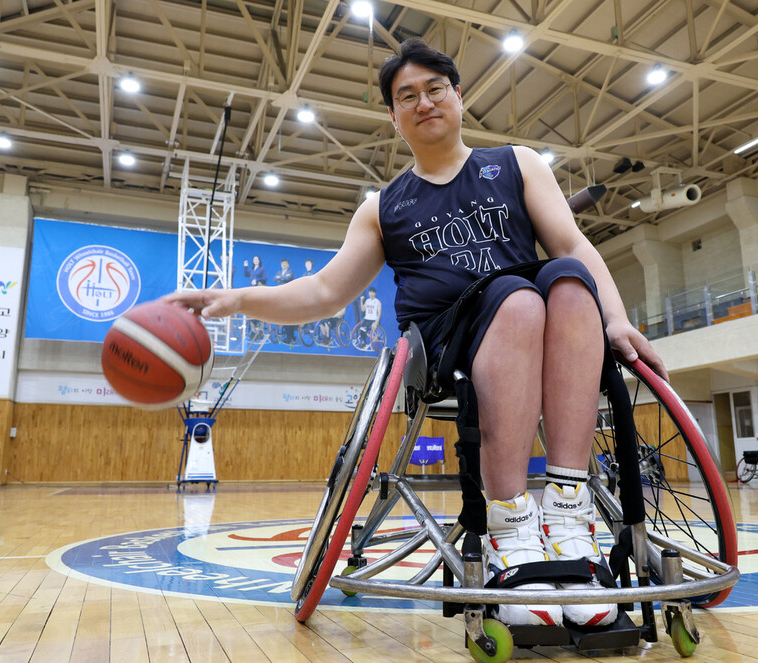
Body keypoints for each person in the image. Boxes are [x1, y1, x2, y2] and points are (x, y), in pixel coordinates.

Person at [164, 38, 665, 629]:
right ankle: (508, 525)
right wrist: (240, 298)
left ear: (458, 96)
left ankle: (566, 516)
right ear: (394, 116)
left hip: (531, 322)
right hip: (447, 343)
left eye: (435, 89)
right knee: (521, 299)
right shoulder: (383, 207)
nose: (424, 101)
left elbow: (574, 244)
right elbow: (326, 292)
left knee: (570, 281)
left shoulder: (516, 164)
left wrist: (618, 319)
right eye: (408, 96)